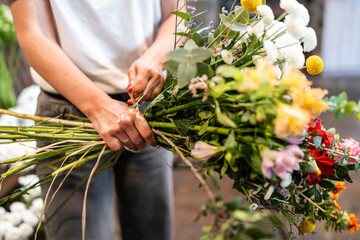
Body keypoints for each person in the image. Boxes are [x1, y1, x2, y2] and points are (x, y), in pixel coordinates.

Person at [9, 0, 183, 239]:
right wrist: (98, 106)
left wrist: (156, 58)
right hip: (68, 111)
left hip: (147, 105)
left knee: (152, 228)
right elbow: (32, 31)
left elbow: (178, 13)